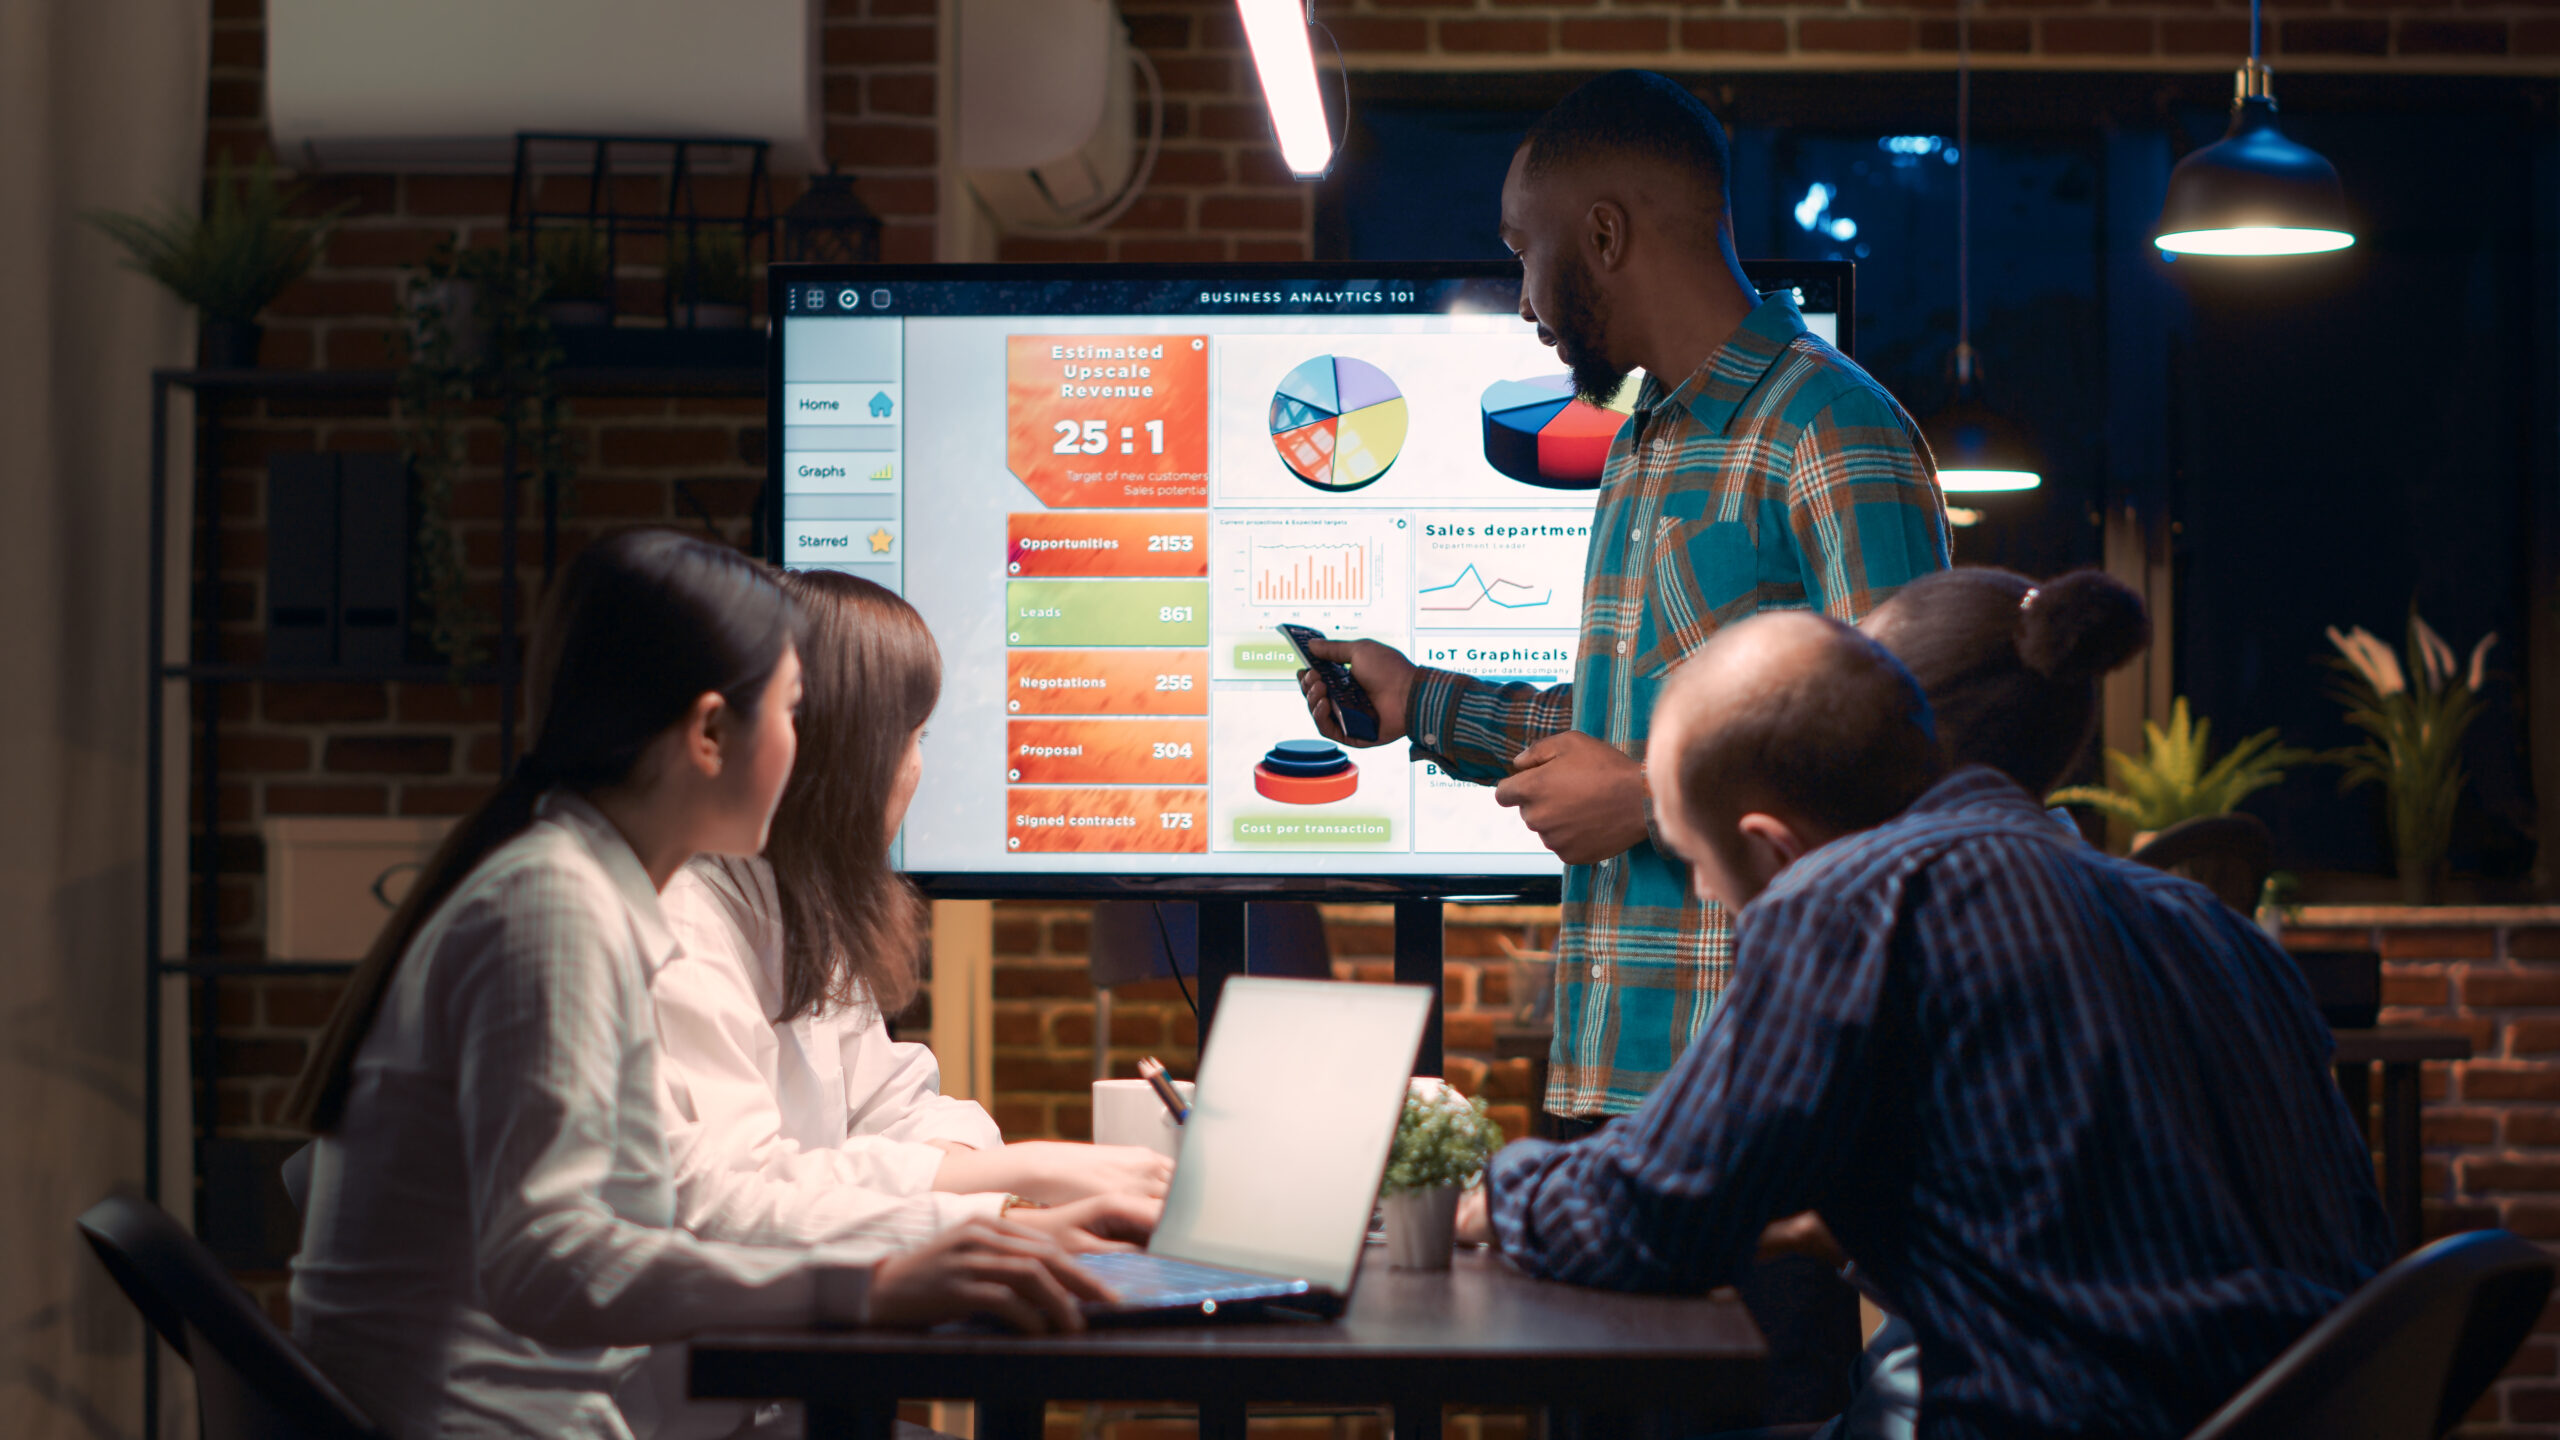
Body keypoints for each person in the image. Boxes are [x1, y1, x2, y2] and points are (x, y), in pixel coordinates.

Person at [1299, 69, 1947, 1417]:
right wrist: (1419, 701)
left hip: (1754, 1109)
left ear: (1601, 236)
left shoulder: (1837, 435)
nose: (1523, 298)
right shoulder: (1648, 439)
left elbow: (1901, 792)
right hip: (1608, 1085)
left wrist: (1648, 799)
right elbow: (1619, 736)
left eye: (1522, 254)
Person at [1463, 610, 2395, 1439]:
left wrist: (1492, 1183)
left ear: (1768, 846)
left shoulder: (1856, 897)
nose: (1710, 895)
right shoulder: (2204, 921)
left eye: (1703, 868)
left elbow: (1640, 1219)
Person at [284, 532, 1130, 1440]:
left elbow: (659, 1209)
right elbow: (546, 1261)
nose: (811, 755)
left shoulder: (582, 887)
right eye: (795, 715)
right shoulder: (556, 906)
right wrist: (872, 1282)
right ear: (711, 733)